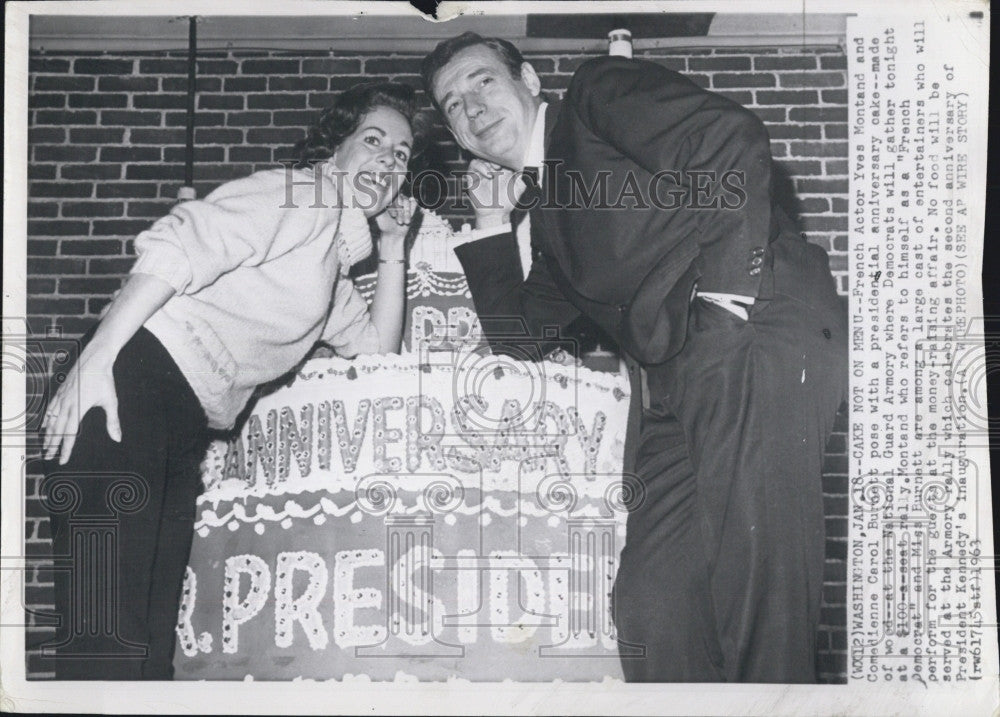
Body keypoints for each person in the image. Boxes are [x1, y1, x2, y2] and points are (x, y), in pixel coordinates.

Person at [421, 33, 848, 683]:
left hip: (754, 326)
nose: (471, 108)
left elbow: (728, 139)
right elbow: (520, 339)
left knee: (757, 588)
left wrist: (727, 302)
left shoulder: (594, 96)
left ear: (531, 80)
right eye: (452, 104)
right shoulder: (546, 215)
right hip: (676, 387)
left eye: (482, 83)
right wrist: (487, 223)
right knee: (655, 604)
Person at [40, 81, 424, 680]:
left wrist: (396, 247)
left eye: (401, 154)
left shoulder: (330, 270)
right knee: (105, 642)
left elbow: (377, 352)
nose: (388, 160)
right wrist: (100, 354)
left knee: (143, 653)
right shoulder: (309, 193)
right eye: (372, 140)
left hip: (177, 417)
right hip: (128, 380)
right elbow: (186, 238)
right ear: (335, 150)